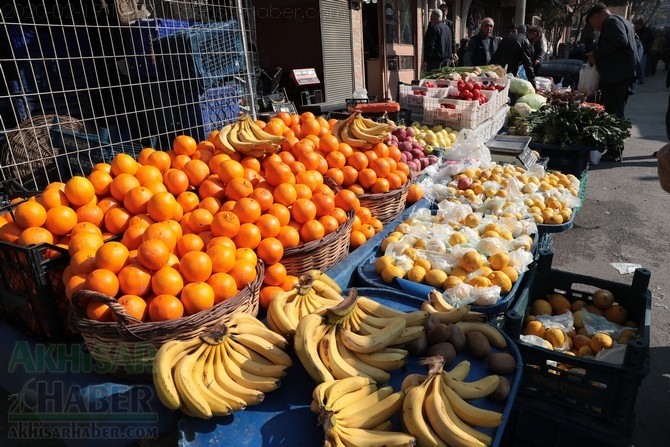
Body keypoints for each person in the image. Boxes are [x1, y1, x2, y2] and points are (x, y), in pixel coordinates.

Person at [586, 3, 637, 162]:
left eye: (592, 23)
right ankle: (613, 147)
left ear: (597, 15)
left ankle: (615, 151)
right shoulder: (621, 20)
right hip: (621, 75)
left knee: (615, 113)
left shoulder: (611, 22)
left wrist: (597, 55)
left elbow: (620, 41)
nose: (595, 28)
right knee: (615, 112)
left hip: (617, 76)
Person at [633, 18, 652, 84]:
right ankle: (637, 78)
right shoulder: (635, 31)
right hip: (636, 50)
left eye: (637, 25)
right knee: (636, 66)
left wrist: (647, 48)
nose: (636, 26)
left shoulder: (647, 31)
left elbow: (650, 40)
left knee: (641, 66)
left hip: (644, 51)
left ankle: (641, 79)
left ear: (640, 25)